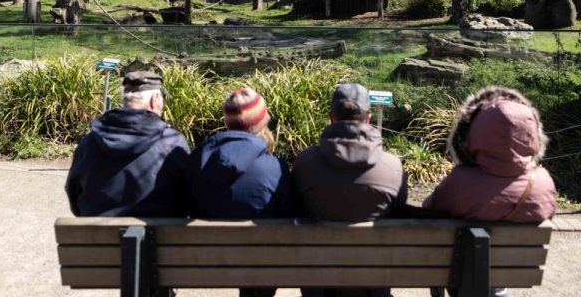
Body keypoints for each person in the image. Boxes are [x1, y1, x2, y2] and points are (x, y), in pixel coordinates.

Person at [422, 86, 557, 297]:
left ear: (476, 132)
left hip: (462, 276)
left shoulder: (460, 181)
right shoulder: (543, 183)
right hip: (506, 274)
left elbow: (430, 209)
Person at [293, 82, 407, 297]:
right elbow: (399, 214)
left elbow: (295, 209)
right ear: (368, 118)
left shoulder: (305, 163)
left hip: (319, 287)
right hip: (373, 287)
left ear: (330, 116)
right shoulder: (392, 166)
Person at [188, 87, 293, 297]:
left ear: (227, 122)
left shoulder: (196, 160)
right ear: (262, 123)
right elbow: (290, 213)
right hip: (260, 266)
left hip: (202, 263)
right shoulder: (275, 168)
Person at [65, 71, 191, 217]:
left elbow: (73, 190)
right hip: (158, 236)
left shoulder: (90, 141)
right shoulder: (172, 142)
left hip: (96, 236)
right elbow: (188, 194)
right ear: (155, 99)